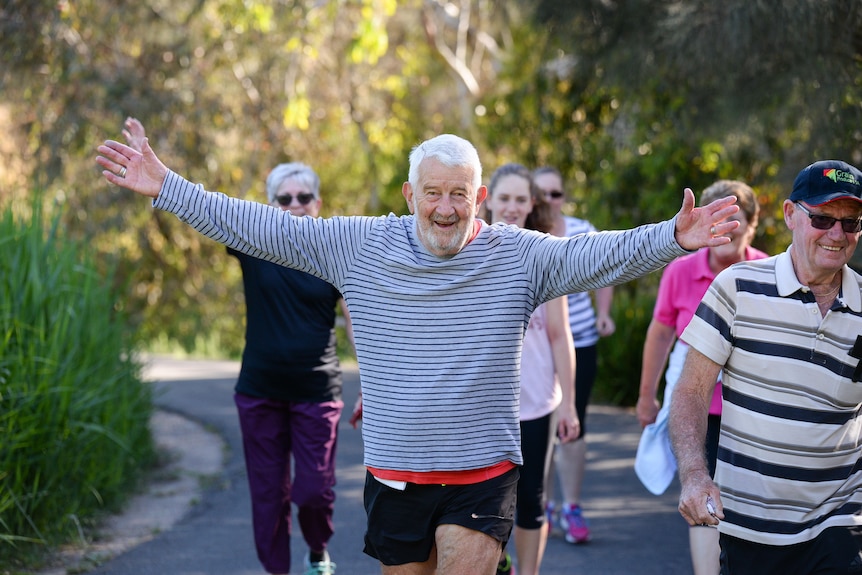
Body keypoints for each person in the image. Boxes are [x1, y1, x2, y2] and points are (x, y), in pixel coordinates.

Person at [96, 129, 739, 575]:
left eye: (460, 193)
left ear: (479, 199)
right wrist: (166, 187)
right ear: (410, 195)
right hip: (396, 474)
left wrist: (673, 237)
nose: (445, 207)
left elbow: (596, 254)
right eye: (432, 192)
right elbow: (257, 226)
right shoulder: (358, 245)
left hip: (483, 475)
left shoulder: (518, 257)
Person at [122, 118, 353, 575]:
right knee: (269, 496)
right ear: (270, 207)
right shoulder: (253, 245)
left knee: (313, 492)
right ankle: (277, 570)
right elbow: (210, 212)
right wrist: (160, 186)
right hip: (260, 391)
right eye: (283, 199)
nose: (294, 205)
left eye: (303, 197)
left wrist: (378, 380)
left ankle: (316, 549)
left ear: (318, 203)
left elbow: (358, 320)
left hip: (317, 391)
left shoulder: (334, 252)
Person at [668, 160, 862, 575]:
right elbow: (690, 391)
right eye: (824, 218)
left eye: (851, 224)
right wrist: (695, 474)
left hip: (841, 522)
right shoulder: (737, 288)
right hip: (750, 527)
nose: (837, 234)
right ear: (791, 214)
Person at [633, 180, 766, 575]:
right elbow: (659, 334)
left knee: (753, 507)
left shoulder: (771, 274)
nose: (727, 229)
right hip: (699, 411)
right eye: (717, 218)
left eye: (736, 220)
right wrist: (646, 396)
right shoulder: (679, 272)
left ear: (753, 226)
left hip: (754, 415)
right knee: (704, 501)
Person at [484, 163, 578, 575]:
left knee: (530, 499)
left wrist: (570, 404)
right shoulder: (467, 250)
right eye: (504, 198)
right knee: (483, 498)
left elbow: (560, 334)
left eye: (520, 199)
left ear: (531, 204)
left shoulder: (546, 253)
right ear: (487, 200)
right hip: (482, 403)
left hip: (536, 401)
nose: (511, 207)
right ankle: (494, 560)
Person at [532, 166, 614, 544]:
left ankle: (573, 506)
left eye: (556, 194)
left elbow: (607, 271)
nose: (550, 201)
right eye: (543, 193)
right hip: (533, 347)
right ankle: (541, 502)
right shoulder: (526, 235)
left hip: (578, 340)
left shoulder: (583, 230)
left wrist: (603, 314)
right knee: (539, 424)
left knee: (573, 422)